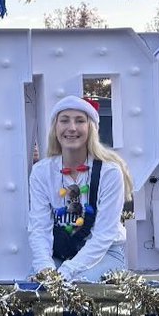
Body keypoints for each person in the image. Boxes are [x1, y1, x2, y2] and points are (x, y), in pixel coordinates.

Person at [27, 96, 133, 282]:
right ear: (55, 128)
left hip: (104, 253)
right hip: (60, 253)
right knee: (35, 289)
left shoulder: (109, 172)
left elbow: (103, 235)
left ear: (91, 128)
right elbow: (40, 228)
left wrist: (67, 271)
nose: (72, 128)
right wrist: (46, 268)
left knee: (78, 286)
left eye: (80, 120)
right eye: (64, 120)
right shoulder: (41, 172)